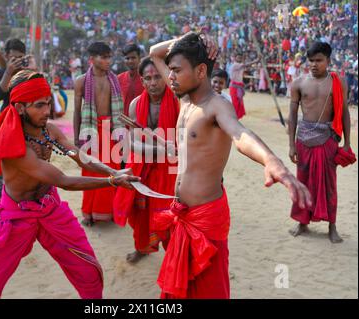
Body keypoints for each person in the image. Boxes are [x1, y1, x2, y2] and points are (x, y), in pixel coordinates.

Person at [149, 32, 312, 299]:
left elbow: (240, 134)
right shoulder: (185, 100)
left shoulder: (217, 106)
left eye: (177, 70)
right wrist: (191, 36)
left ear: (201, 71)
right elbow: (155, 52)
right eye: (171, 70)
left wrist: (272, 160)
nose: (170, 76)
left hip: (205, 217)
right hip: (183, 212)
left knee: (209, 290)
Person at [0, 70, 140, 299]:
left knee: (87, 271)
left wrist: (113, 170)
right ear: (21, 108)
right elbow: (64, 181)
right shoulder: (14, 146)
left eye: (48, 104)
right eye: (39, 106)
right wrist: (113, 181)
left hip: (51, 208)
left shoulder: (49, 130)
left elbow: (79, 155)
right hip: (16, 216)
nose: (47, 111)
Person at [113, 57, 179, 263]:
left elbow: (183, 143)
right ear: (142, 81)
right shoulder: (134, 105)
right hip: (142, 168)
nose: (153, 83)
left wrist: (167, 150)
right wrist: (162, 150)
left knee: (170, 215)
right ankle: (142, 248)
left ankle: (174, 257)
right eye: (148, 78)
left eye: (157, 77)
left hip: (170, 171)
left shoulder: (178, 101)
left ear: (166, 77)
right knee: (141, 214)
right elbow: (131, 144)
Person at [288, 42, 355, 244]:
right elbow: (292, 115)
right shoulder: (298, 83)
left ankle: (332, 226)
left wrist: (347, 143)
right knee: (302, 182)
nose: (314, 64)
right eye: (311, 61)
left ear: (328, 60)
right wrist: (291, 144)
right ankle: (302, 222)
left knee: (329, 185)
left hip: (328, 139)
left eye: (319, 60)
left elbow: (343, 113)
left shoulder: (338, 82)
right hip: (303, 139)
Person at [74, 42, 125, 226]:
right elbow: (77, 112)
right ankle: (88, 214)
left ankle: (108, 212)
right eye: (103, 57)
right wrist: (76, 138)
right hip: (89, 131)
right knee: (90, 172)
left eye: (109, 56)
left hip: (110, 130)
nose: (108, 60)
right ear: (91, 59)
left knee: (111, 173)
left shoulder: (114, 79)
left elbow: (120, 110)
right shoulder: (81, 81)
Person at [0, 38, 34, 112]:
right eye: (14, 58)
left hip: (27, 114)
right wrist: (8, 72)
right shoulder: (0, 73)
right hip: (8, 114)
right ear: (6, 56)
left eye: (20, 57)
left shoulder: (28, 72)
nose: (18, 61)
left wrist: (34, 70)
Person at [229, 52, 260, 119]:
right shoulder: (235, 65)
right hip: (234, 87)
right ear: (235, 58)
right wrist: (256, 60)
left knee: (239, 103)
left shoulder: (240, 65)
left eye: (240, 57)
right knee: (235, 103)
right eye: (238, 57)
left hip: (239, 86)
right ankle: (233, 117)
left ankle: (236, 117)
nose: (239, 58)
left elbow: (245, 66)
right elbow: (245, 65)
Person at [117, 44, 144, 115]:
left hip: (142, 121)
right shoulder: (119, 78)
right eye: (127, 58)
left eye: (133, 58)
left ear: (139, 58)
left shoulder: (146, 78)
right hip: (123, 122)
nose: (130, 61)